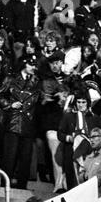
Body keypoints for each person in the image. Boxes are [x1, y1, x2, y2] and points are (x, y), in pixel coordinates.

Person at [0, 54, 41, 189]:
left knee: (26, 157)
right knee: (9, 156)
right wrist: (10, 105)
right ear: (24, 64)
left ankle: (22, 185)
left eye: (35, 65)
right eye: (31, 64)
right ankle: (5, 184)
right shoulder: (11, 79)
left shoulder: (36, 81)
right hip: (13, 121)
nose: (34, 67)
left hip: (28, 122)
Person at [58, 87, 101, 190]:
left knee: (85, 182)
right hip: (71, 153)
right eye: (78, 102)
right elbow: (60, 134)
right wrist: (69, 138)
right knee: (71, 182)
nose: (81, 105)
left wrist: (97, 139)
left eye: (83, 102)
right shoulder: (69, 116)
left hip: (89, 154)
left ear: (88, 103)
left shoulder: (93, 117)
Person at [40, 50, 69, 193]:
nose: (56, 66)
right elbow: (46, 98)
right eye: (53, 63)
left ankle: (64, 183)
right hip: (51, 122)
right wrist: (57, 95)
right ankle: (58, 184)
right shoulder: (46, 80)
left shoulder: (69, 79)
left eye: (58, 63)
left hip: (67, 123)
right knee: (55, 152)